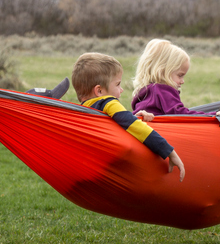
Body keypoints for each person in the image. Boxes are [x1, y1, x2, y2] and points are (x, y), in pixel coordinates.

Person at [72, 52, 185, 181]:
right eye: (117, 84)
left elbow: (115, 124)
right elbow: (138, 128)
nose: (121, 89)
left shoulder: (84, 110)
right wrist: (169, 151)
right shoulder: (108, 102)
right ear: (99, 91)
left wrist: (132, 117)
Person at [131, 39, 207, 116]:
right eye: (180, 75)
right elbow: (180, 114)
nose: (182, 81)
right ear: (163, 71)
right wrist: (213, 116)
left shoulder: (145, 92)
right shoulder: (162, 91)